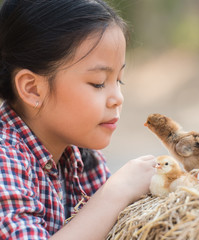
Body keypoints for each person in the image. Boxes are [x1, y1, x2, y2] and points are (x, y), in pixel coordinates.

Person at [0, 0, 156, 239]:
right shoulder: (5, 161)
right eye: (98, 83)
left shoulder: (82, 159)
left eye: (119, 80)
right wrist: (116, 192)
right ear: (32, 89)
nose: (117, 98)